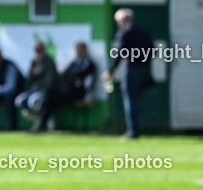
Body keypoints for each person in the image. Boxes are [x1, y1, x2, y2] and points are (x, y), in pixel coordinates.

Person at [102, 8, 153, 139]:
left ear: (123, 20)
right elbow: (152, 51)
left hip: (132, 70)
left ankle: (133, 132)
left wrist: (110, 70)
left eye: (118, 21)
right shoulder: (144, 32)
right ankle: (136, 129)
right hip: (144, 70)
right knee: (136, 101)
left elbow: (119, 53)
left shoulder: (124, 33)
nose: (118, 24)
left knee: (130, 101)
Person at [34, 41, 97, 132]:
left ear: (85, 50)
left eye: (80, 49)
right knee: (50, 96)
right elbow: (64, 74)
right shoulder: (74, 62)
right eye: (77, 49)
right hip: (66, 92)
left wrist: (71, 78)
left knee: (50, 98)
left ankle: (40, 120)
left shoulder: (88, 63)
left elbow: (80, 76)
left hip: (77, 92)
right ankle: (41, 124)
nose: (78, 51)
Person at [15, 40, 60, 133]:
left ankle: (42, 121)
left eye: (39, 48)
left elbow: (50, 80)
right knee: (19, 101)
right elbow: (30, 78)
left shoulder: (49, 61)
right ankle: (38, 119)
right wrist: (26, 90)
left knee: (33, 101)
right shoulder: (34, 61)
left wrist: (44, 93)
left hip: (44, 90)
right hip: (33, 89)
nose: (37, 50)